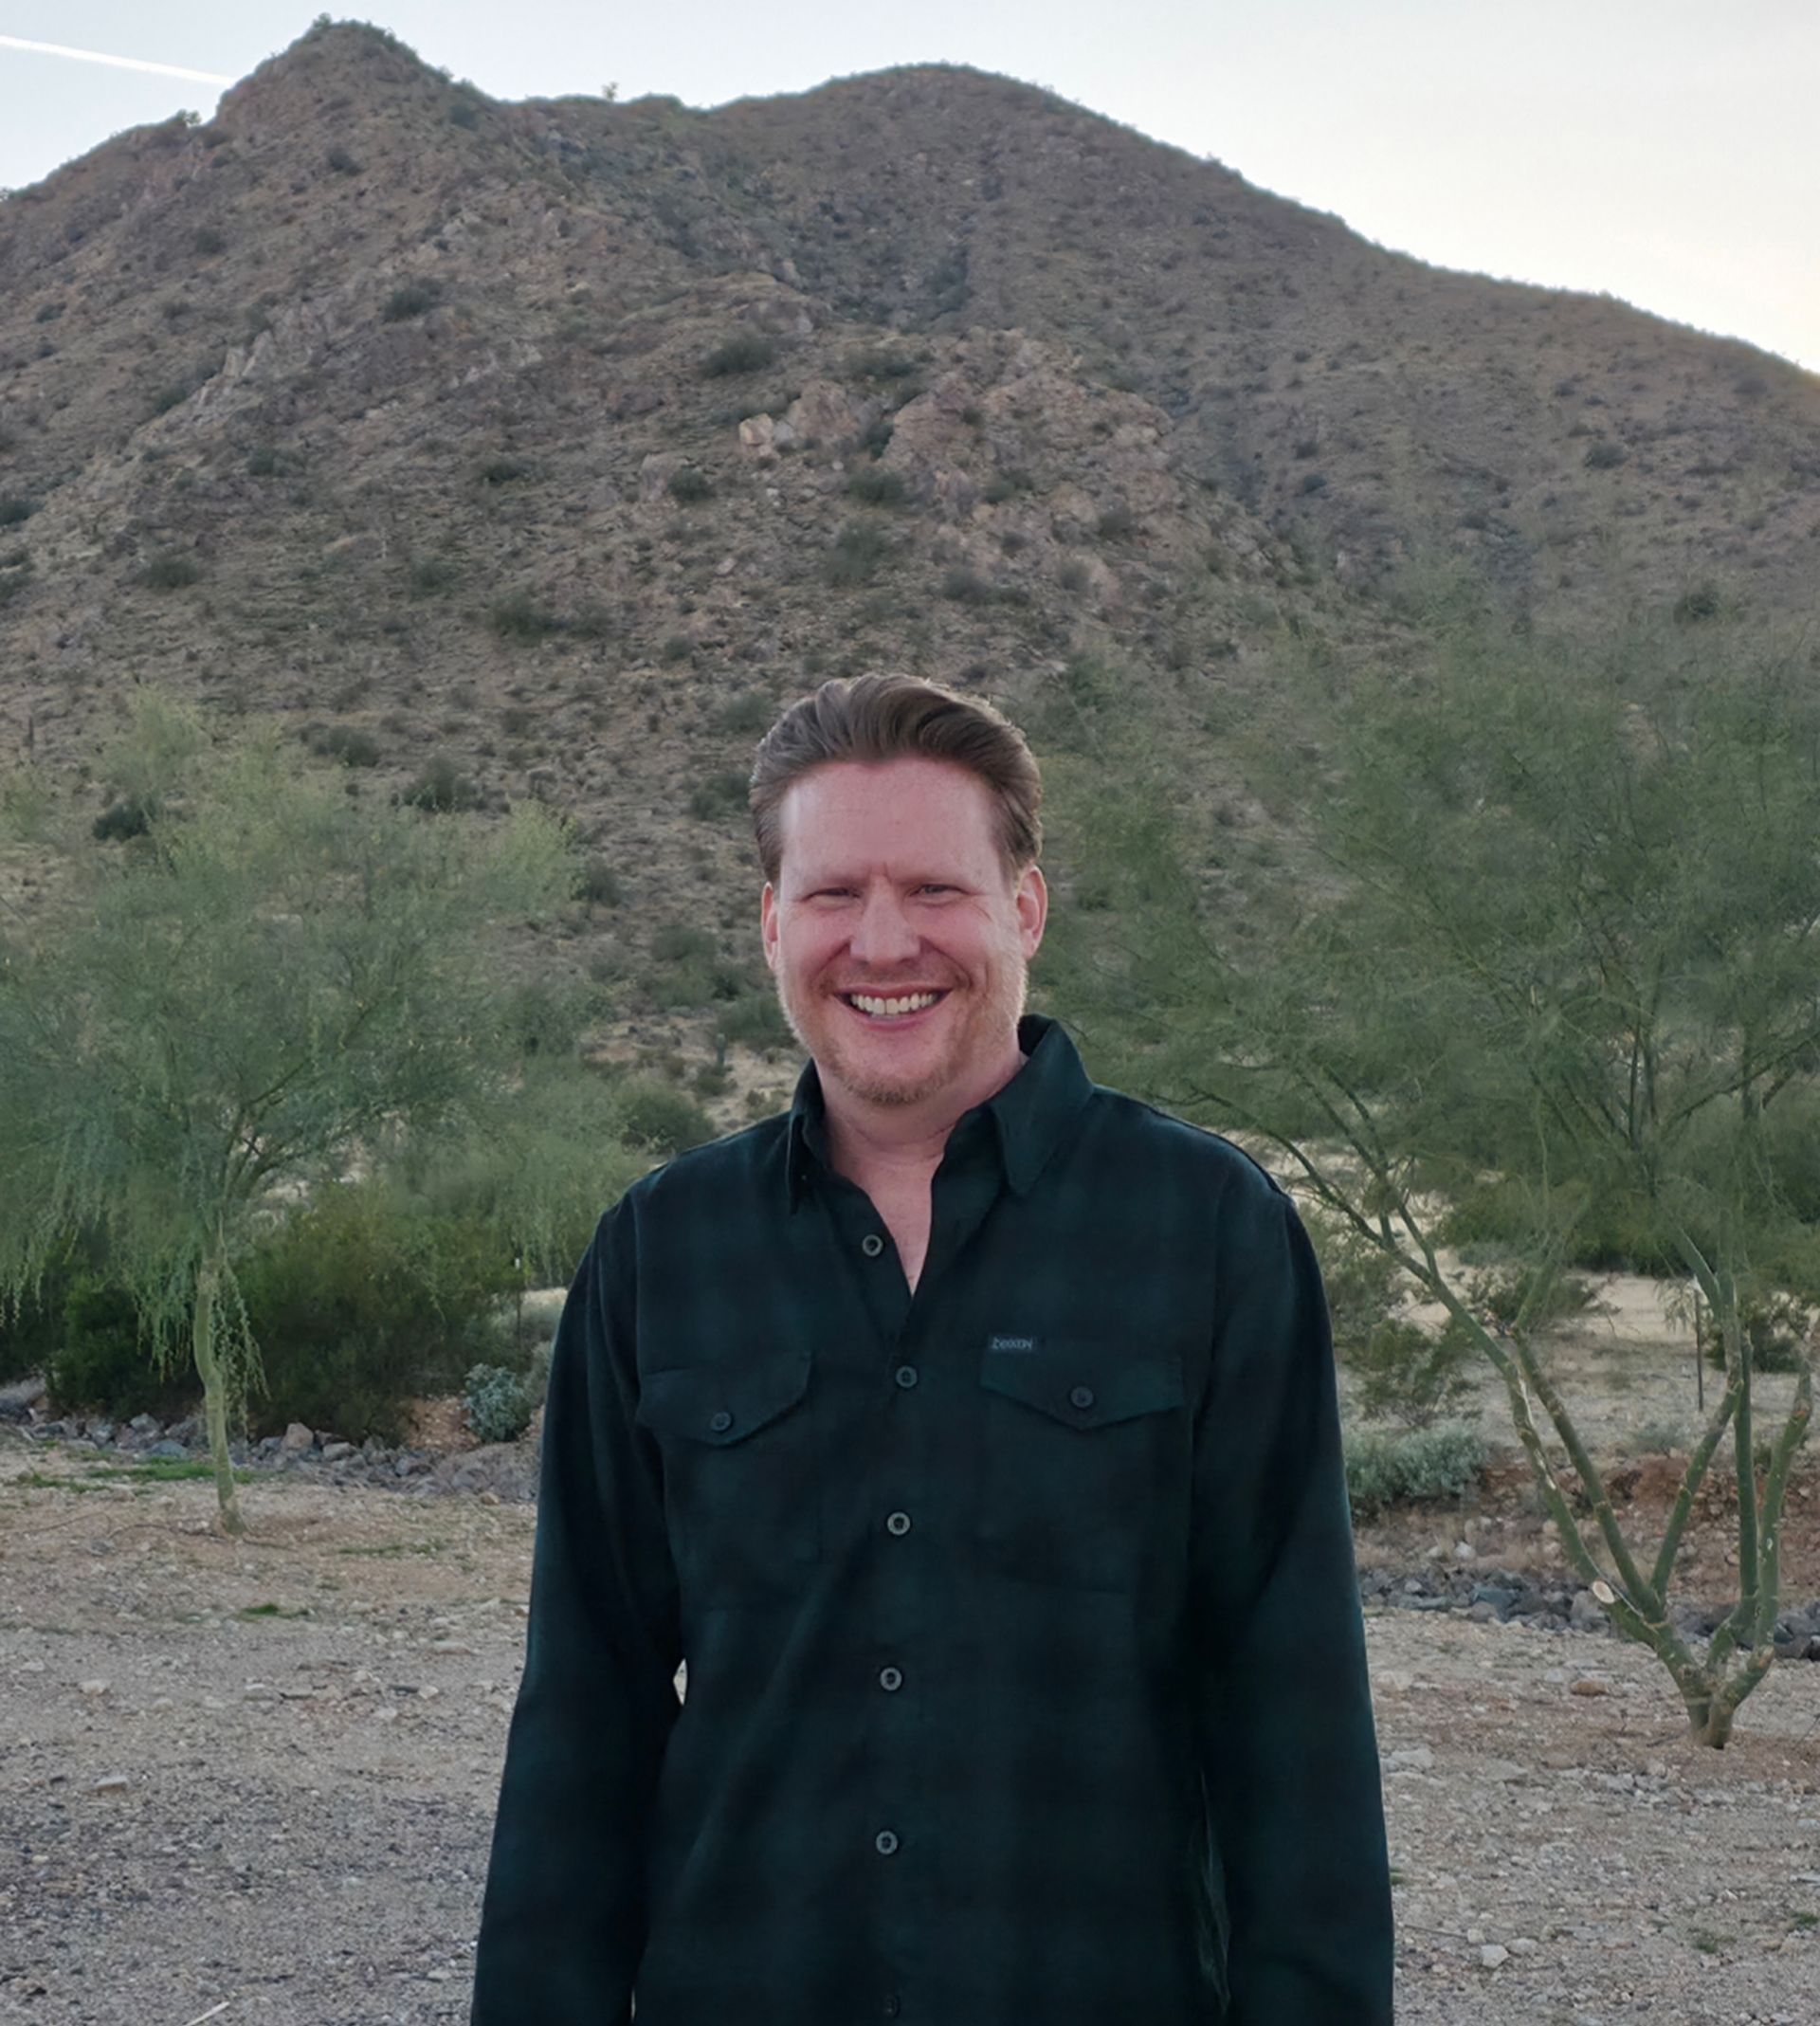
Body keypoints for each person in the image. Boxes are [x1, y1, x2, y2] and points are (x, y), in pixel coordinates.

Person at [470, 673, 1393, 2024]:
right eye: (836, 893)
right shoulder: (662, 1251)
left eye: (937, 890)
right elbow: (584, 1717)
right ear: (773, 922)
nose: (884, 941)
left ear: (1023, 907)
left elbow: (1293, 1715)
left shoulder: (1203, 1229)